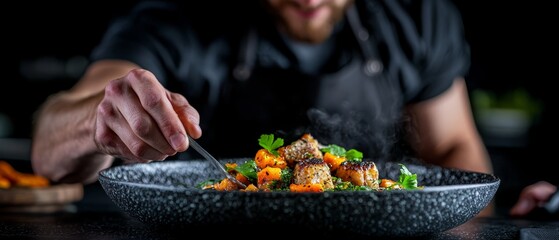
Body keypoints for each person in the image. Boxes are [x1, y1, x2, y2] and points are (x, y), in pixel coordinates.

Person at [30, 0, 493, 192]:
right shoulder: (176, 18)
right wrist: (98, 118)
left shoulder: (419, 16)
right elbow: (49, 149)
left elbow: (455, 149)